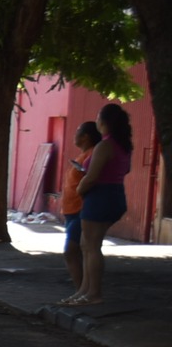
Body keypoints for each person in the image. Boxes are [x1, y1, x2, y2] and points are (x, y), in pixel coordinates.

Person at [61, 103, 133, 306]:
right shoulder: (123, 145)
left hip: (100, 196)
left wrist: (80, 189)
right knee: (86, 245)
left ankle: (93, 293)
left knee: (91, 246)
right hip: (113, 194)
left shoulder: (105, 145)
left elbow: (92, 177)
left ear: (104, 122)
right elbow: (124, 170)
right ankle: (83, 291)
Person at [59, 120, 100, 298]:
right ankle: (83, 290)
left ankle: (83, 291)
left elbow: (92, 179)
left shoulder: (92, 155)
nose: (74, 136)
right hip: (72, 210)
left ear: (85, 137)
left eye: (77, 132)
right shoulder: (82, 156)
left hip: (81, 210)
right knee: (78, 251)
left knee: (71, 250)